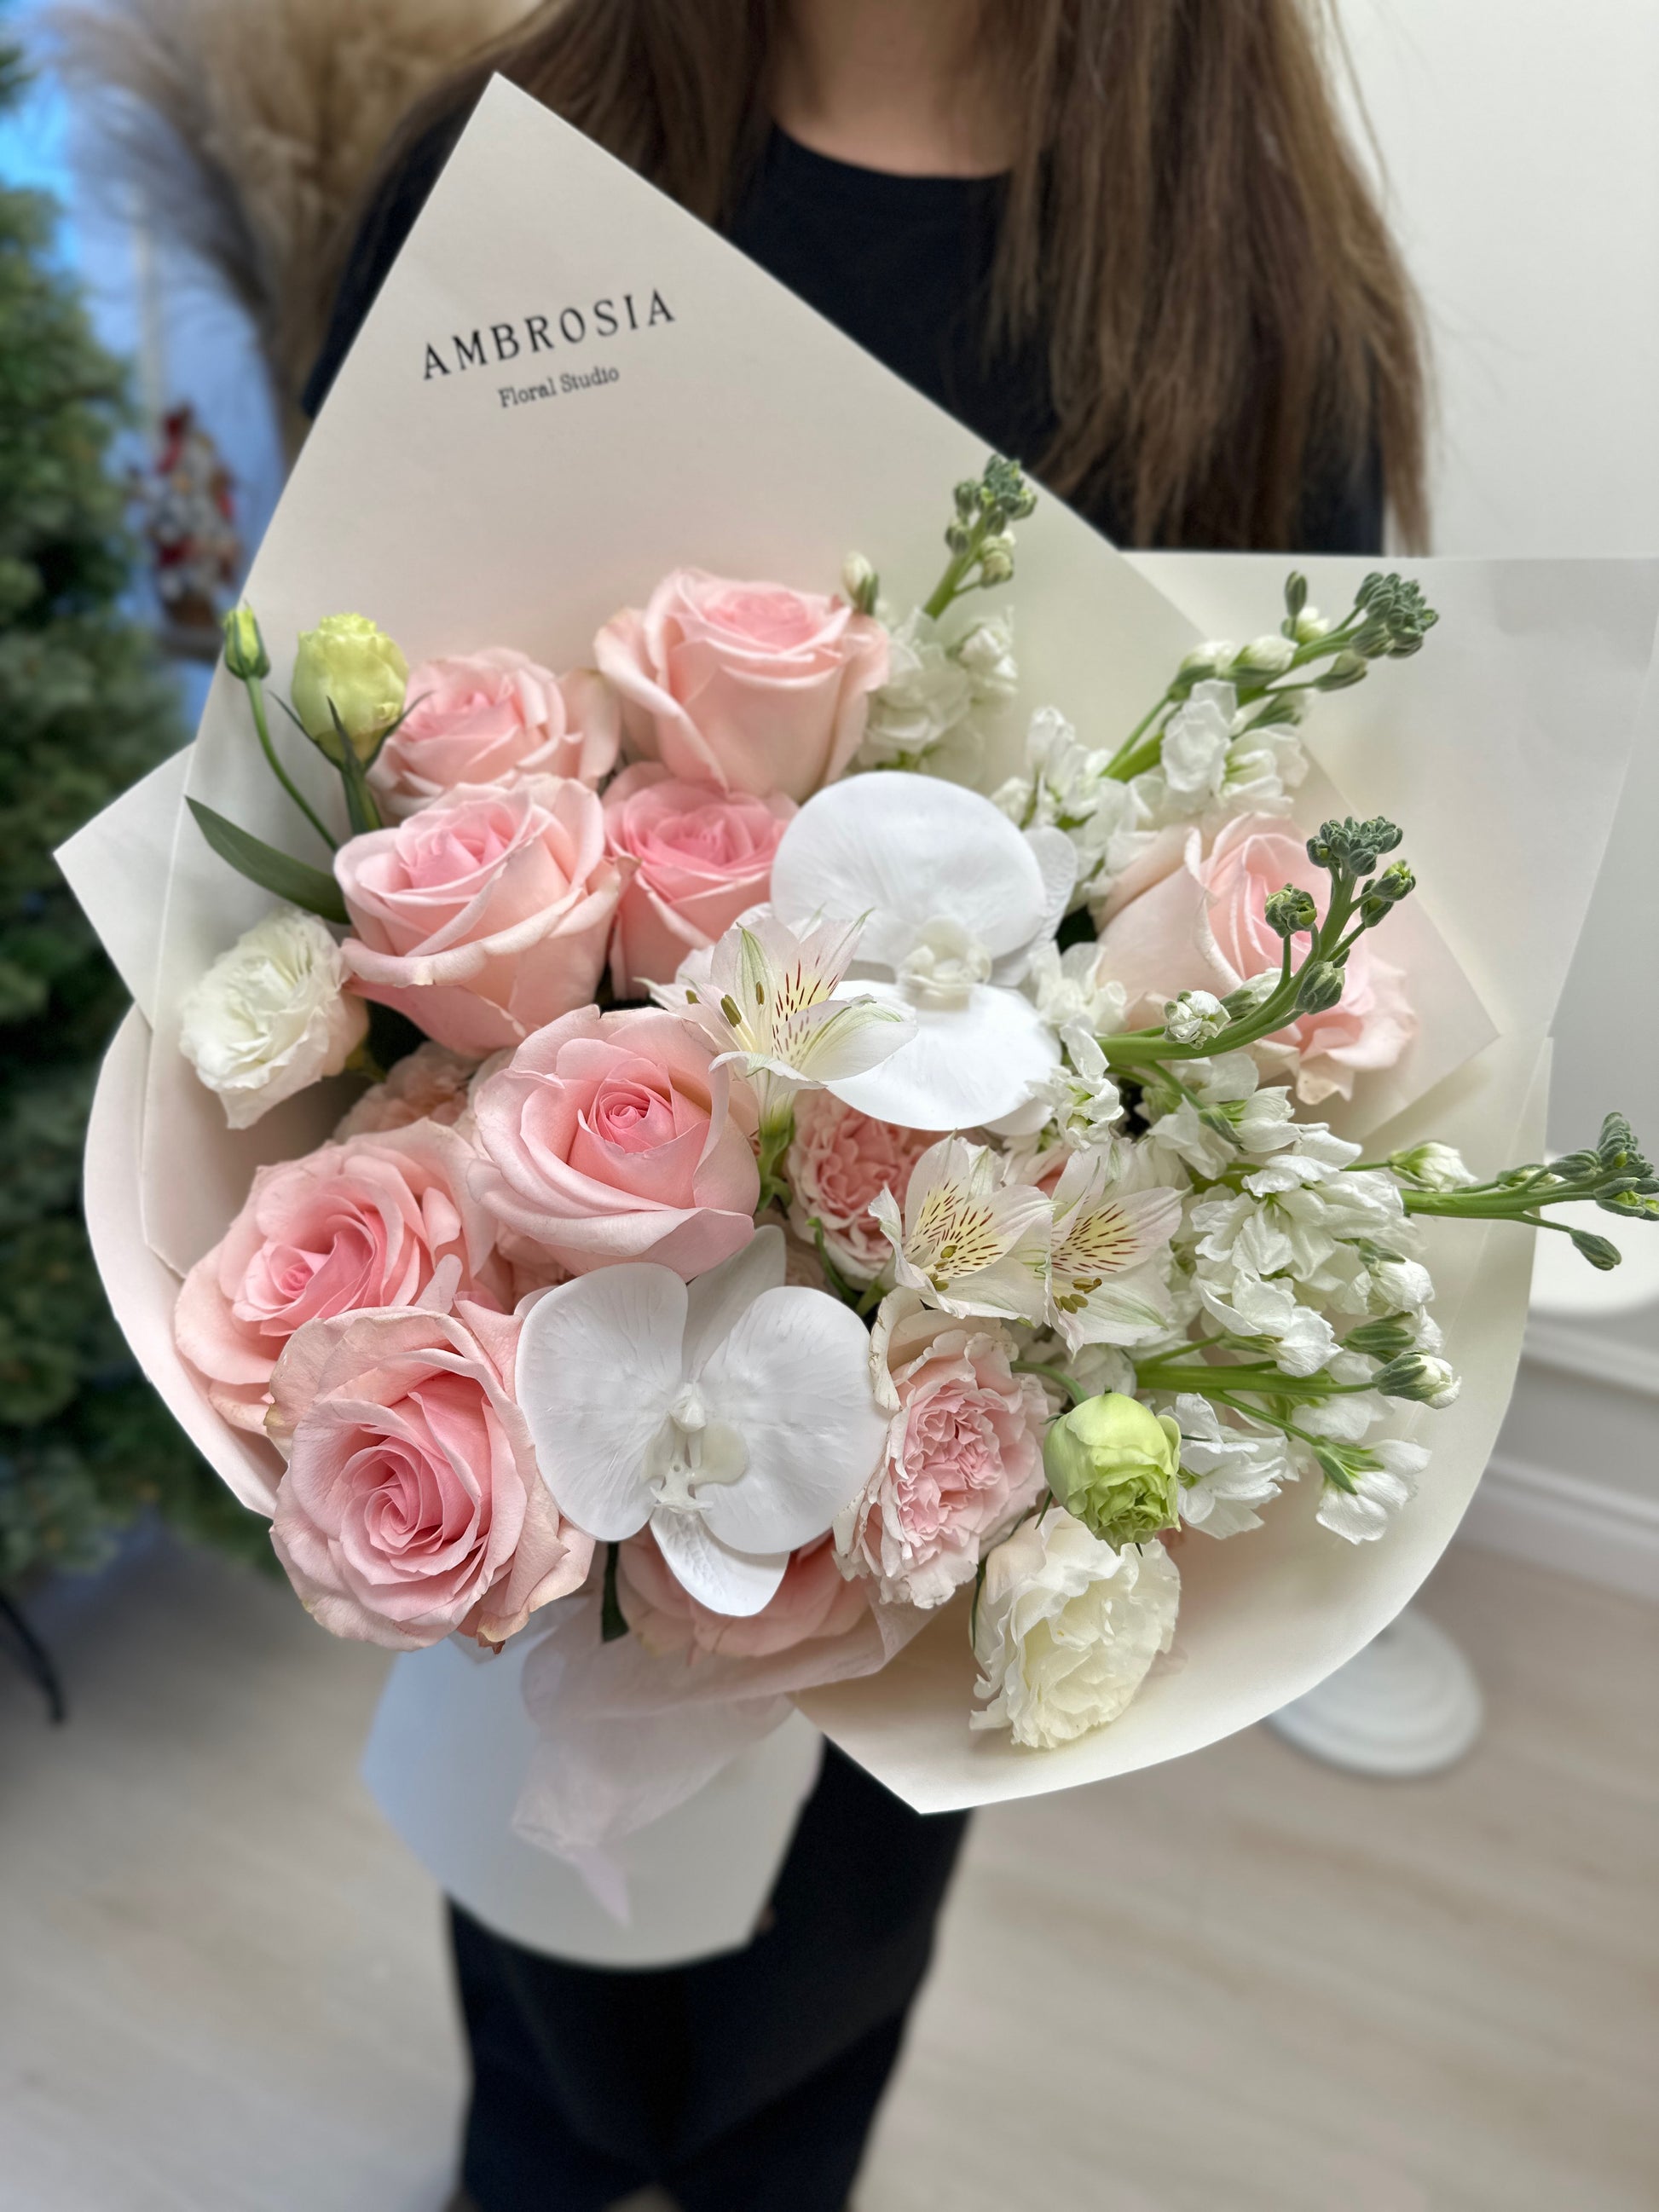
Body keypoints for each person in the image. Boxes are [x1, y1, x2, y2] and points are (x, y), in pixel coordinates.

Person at [304, 5, 1428, 2208]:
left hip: (953, 1480)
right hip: (540, 1404)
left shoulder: (1256, 291)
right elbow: (337, 800)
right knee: (535, 2017)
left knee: (806, 2031)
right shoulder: (505, 180)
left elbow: (1277, 920)